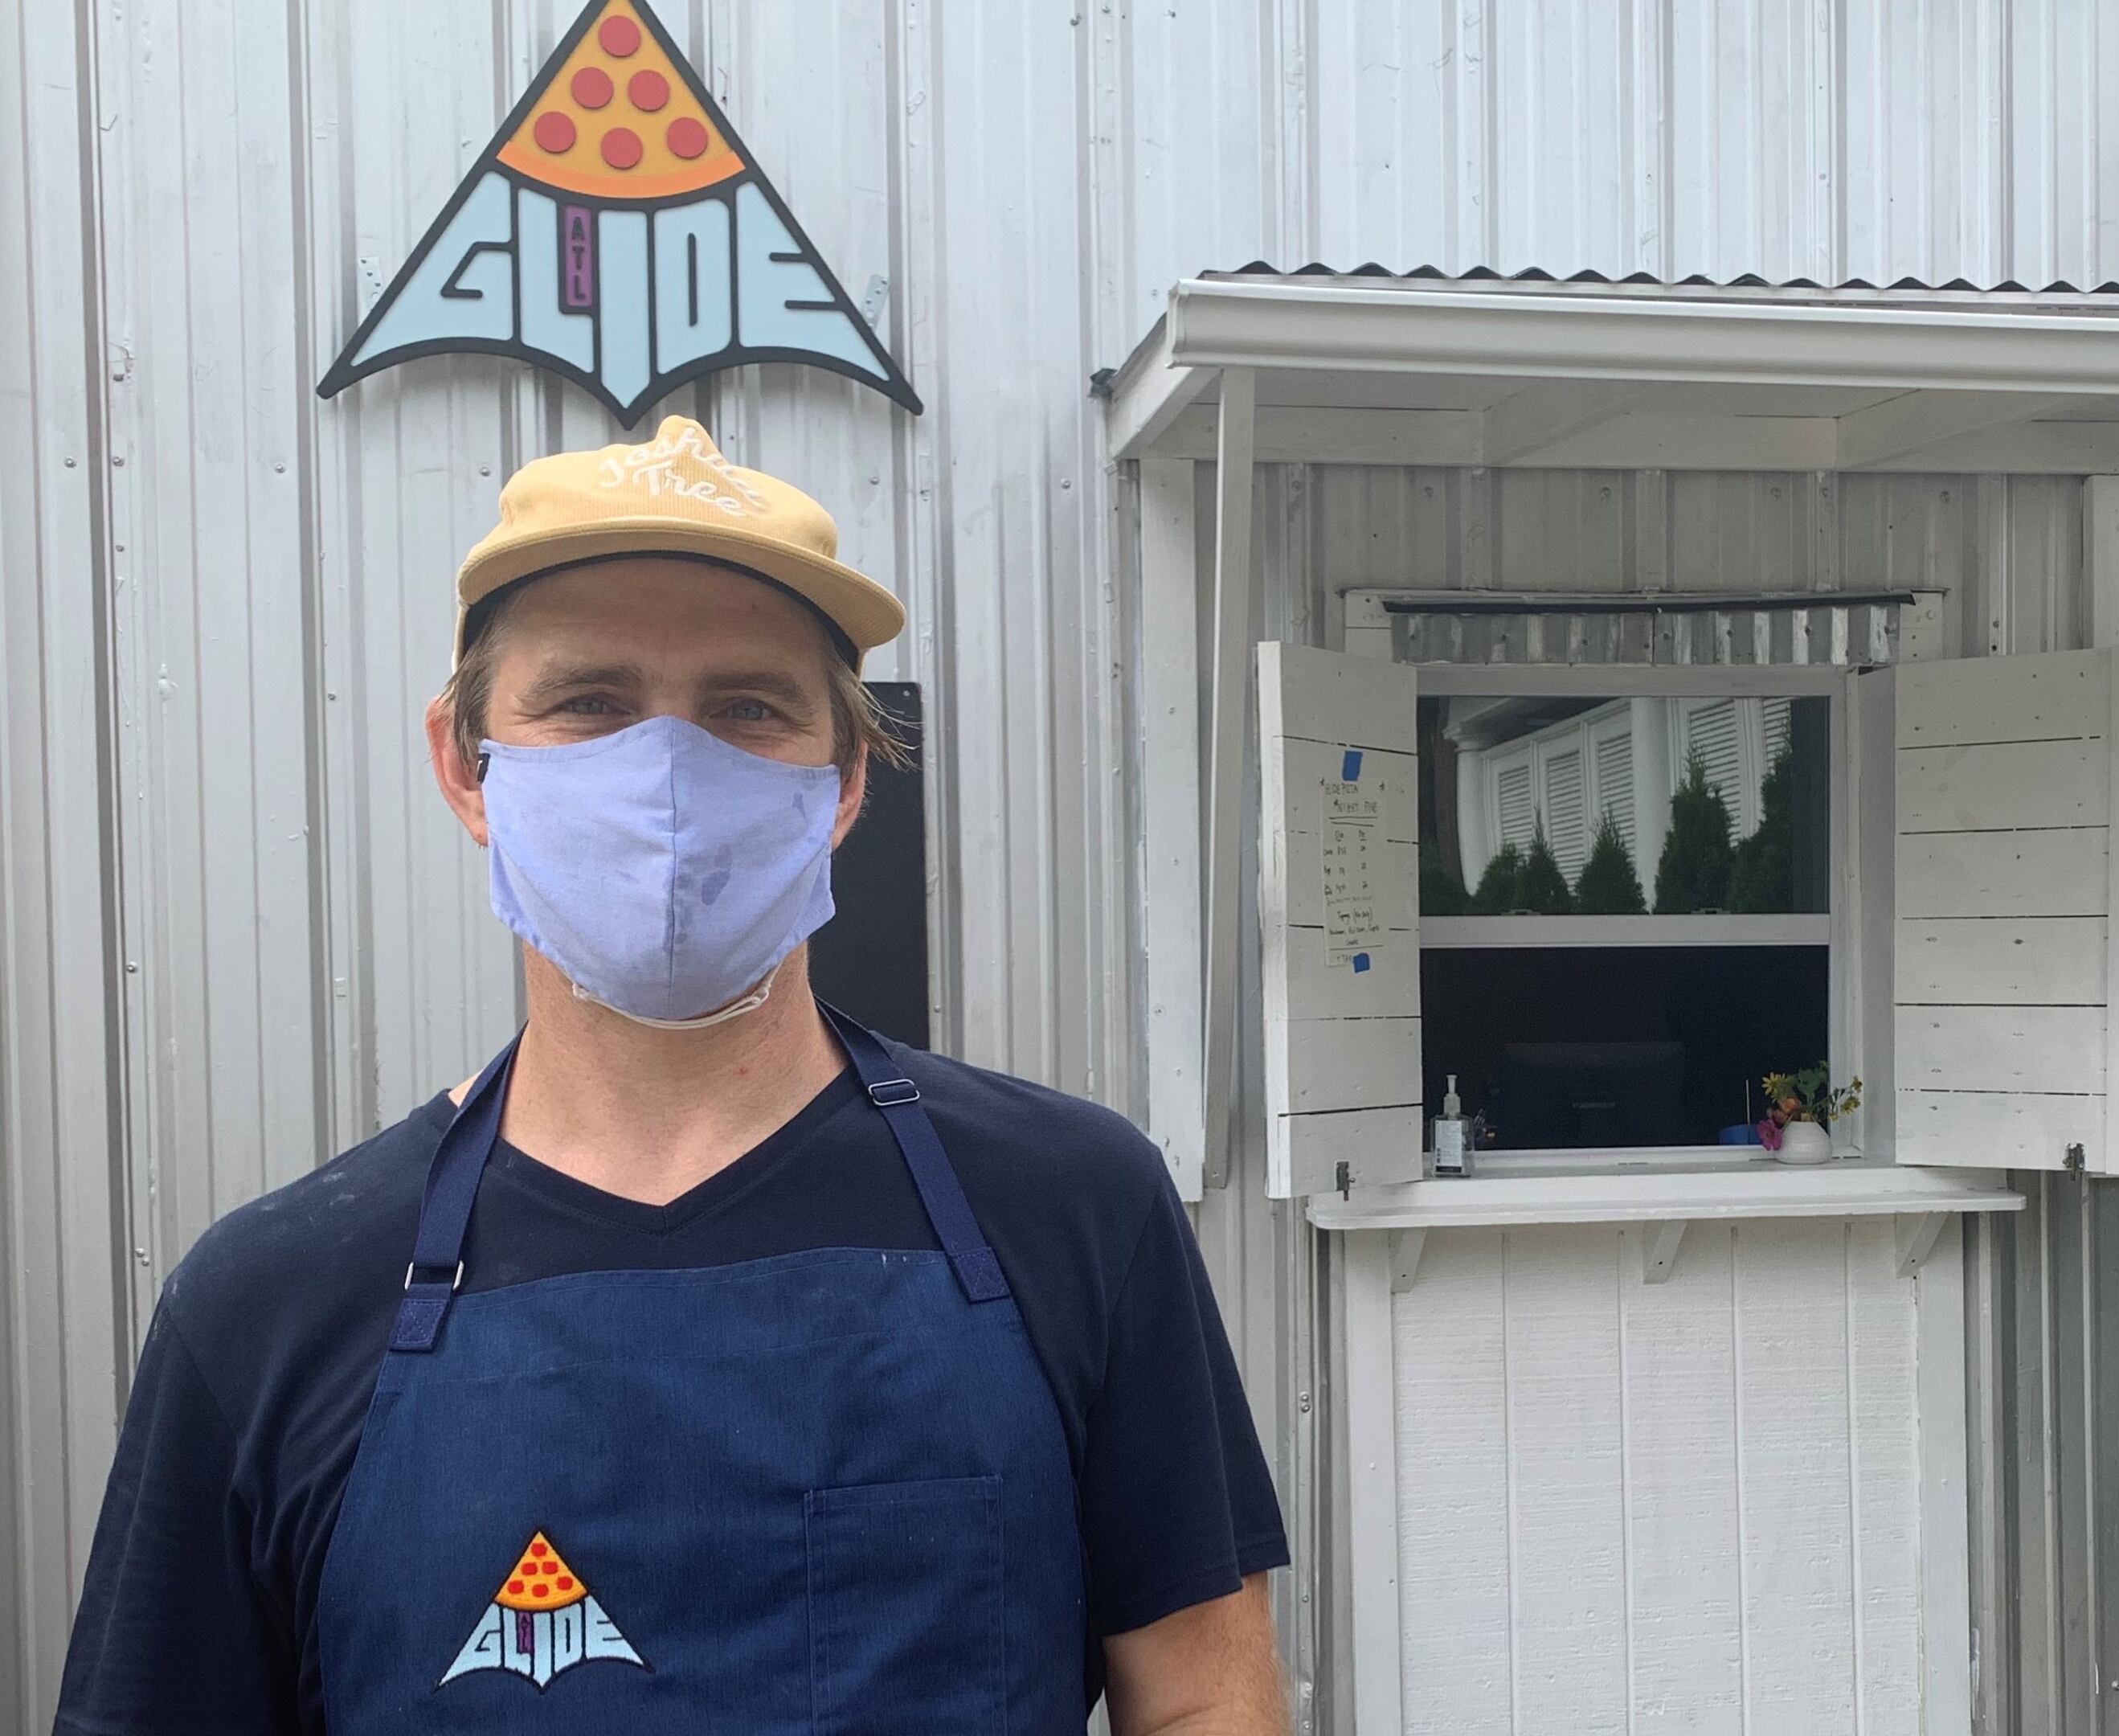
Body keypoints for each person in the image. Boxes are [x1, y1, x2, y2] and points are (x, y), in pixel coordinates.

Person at [53, 417, 1289, 1734]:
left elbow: (1205, 1702)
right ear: (467, 766)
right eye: (588, 702)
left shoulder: (1072, 1207)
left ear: (845, 781)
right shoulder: (267, 1303)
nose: (668, 775)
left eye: (747, 709)